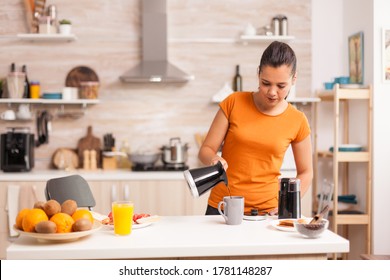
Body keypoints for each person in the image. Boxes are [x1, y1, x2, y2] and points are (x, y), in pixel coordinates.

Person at [198, 41, 313, 215]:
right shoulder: (233, 103)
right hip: (222, 207)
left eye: (281, 86)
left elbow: (306, 172)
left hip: (268, 212)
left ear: (294, 79)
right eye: (266, 83)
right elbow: (205, 150)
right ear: (258, 73)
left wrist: (287, 204)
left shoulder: (297, 120)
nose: (272, 92)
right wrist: (214, 159)